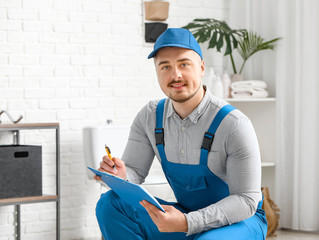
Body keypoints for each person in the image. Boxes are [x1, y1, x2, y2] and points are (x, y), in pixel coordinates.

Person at [95, 28, 267, 240]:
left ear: (201, 67)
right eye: (165, 66)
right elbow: (134, 172)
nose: (175, 75)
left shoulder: (234, 124)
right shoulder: (149, 116)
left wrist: (188, 223)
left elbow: (246, 200)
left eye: (184, 64)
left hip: (240, 222)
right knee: (110, 204)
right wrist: (121, 176)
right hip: (184, 215)